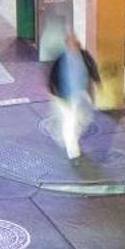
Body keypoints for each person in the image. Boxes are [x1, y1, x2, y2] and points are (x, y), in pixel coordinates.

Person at [47, 31, 100, 160]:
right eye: (72, 41)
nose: (75, 42)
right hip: (64, 97)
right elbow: (52, 77)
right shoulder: (61, 60)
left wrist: (97, 83)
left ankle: (67, 136)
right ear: (67, 43)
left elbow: (92, 69)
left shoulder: (83, 55)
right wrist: (53, 93)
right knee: (70, 121)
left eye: (75, 40)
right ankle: (73, 151)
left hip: (79, 94)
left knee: (82, 119)